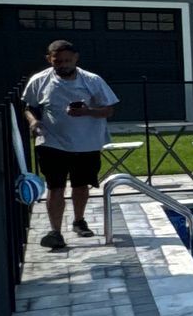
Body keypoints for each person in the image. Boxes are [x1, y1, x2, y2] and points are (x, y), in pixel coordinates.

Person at [20, 37, 119, 252]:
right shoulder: (39, 81)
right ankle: (55, 232)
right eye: (58, 61)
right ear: (50, 59)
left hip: (87, 143)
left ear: (75, 59)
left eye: (67, 60)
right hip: (51, 142)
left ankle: (79, 220)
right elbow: (29, 107)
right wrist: (33, 121)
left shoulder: (92, 81)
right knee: (55, 187)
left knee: (80, 185)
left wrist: (87, 111)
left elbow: (109, 110)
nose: (63, 65)